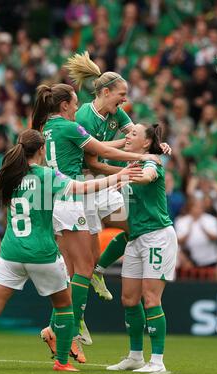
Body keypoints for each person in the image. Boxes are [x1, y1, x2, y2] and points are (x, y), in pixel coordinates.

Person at [0, 128, 135, 372]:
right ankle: (62, 362)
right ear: (42, 150)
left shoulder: (8, 175)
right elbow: (83, 188)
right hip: (42, 253)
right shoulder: (47, 175)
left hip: (10, 253)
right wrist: (121, 176)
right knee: (64, 307)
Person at [31, 83, 155, 363]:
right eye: (74, 103)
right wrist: (141, 156)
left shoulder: (50, 128)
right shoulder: (69, 127)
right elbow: (104, 153)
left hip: (56, 199)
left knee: (76, 269)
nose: (78, 108)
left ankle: (59, 329)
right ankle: (68, 332)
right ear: (64, 106)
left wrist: (128, 147)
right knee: (84, 267)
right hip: (70, 197)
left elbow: (102, 148)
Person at [64, 51, 171, 300]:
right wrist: (125, 173)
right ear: (105, 93)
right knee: (82, 266)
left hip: (103, 186)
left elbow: (137, 136)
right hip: (84, 186)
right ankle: (73, 321)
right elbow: (92, 162)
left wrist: (157, 146)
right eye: (121, 94)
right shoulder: (84, 118)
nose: (125, 100)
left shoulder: (115, 114)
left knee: (134, 227)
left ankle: (100, 271)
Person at [107, 124, 178, 373]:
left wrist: (122, 177)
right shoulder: (130, 164)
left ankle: (157, 361)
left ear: (146, 144)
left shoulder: (153, 162)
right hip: (136, 238)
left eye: (133, 134)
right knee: (129, 298)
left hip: (157, 236)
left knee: (151, 298)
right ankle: (135, 356)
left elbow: (148, 176)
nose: (127, 136)